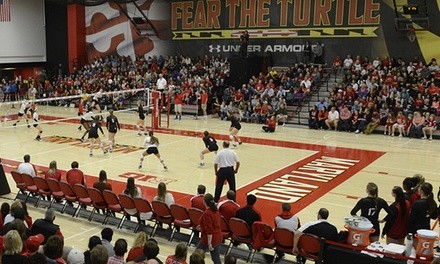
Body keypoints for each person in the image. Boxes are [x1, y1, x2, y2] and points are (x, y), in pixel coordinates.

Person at [196, 193, 222, 264]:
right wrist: (201, 226)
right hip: (218, 237)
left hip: (209, 239)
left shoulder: (207, 213)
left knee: (196, 255)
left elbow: (209, 230)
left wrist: (209, 243)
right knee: (216, 258)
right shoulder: (216, 210)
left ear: (204, 202)